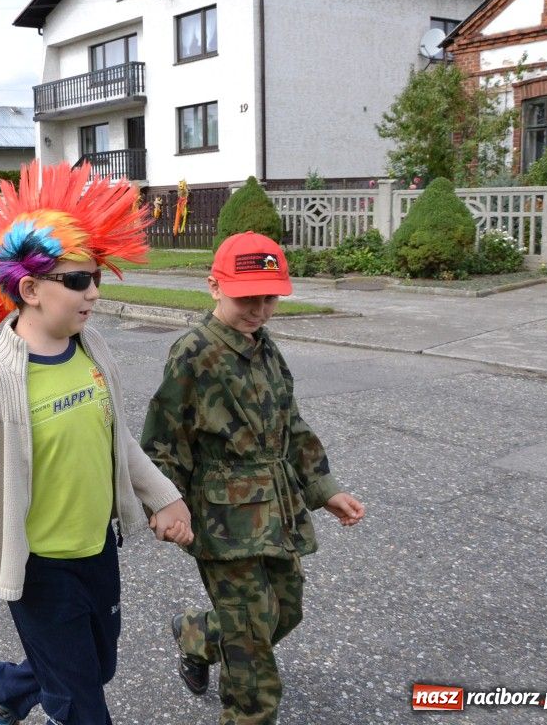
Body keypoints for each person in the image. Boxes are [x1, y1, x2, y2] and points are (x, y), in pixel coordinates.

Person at [0, 161, 194, 725]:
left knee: (95, 668)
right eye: (77, 280)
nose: (93, 292)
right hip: (39, 570)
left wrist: (163, 495)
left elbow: (115, 438)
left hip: (98, 551)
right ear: (29, 288)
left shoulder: (92, 348)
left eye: (95, 276)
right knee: (81, 706)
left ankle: (4, 684)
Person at [140, 231, 366, 725]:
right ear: (214, 287)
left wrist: (325, 490)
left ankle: (198, 634)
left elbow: (292, 425)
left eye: (270, 298)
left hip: (277, 511)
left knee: (285, 611)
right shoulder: (193, 353)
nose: (260, 309)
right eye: (249, 298)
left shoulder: (264, 347)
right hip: (223, 521)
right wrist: (162, 504)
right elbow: (163, 439)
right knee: (253, 662)